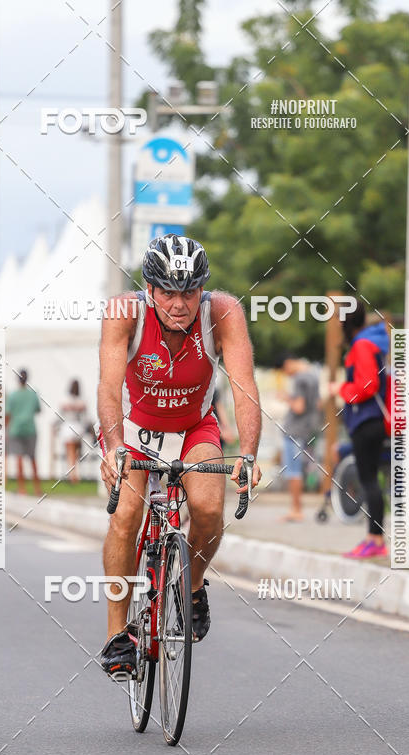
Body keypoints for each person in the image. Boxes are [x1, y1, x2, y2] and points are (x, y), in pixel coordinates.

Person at [97, 234, 262, 679]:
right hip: (133, 430)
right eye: (168, 291)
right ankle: (118, 635)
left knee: (209, 508)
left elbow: (244, 386)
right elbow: (109, 389)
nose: (178, 303)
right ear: (149, 289)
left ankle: (190, 586)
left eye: (189, 291)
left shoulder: (223, 312)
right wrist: (114, 447)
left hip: (194, 426)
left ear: (202, 290)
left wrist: (248, 454)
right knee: (126, 514)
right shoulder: (123, 313)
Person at [329, 301, 388, 558]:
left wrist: (340, 390)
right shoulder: (369, 341)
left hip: (367, 421)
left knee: (369, 481)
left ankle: (375, 540)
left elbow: (368, 385)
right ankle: (374, 538)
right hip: (370, 421)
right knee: (370, 480)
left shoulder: (362, 345)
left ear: (345, 322)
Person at [279, 356, 321, 521]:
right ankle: (297, 509)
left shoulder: (300, 379)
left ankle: (296, 510)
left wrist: (286, 398)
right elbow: (317, 404)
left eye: (284, 370)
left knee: (293, 471)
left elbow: (299, 407)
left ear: (288, 363)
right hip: (306, 429)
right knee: (298, 470)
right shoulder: (313, 376)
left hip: (294, 430)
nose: (286, 374)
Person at [6, 369, 41, 495]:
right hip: (30, 428)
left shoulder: (13, 395)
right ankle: (37, 488)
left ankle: (22, 488)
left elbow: (8, 414)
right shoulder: (32, 394)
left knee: (19, 459)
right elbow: (38, 410)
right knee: (32, 459)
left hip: (16, 429)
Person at [59, 379, 87, 483]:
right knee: (75, 453)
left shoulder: (65, 400)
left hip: (68, 427)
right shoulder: (81, 401)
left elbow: (61, 413)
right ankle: (75, 474)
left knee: (70, 453)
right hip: (78, 428)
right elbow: (85, 416)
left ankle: (72, 475)